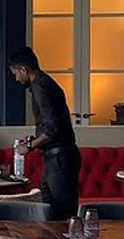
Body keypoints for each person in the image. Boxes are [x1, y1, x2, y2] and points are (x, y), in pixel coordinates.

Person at [9, 46, 80, 220]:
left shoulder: (41, 87)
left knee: (63, 215)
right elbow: (51, 125)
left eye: (16, 74)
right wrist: (35, 139)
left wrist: (29, 146)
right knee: (49, 211)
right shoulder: (44, 83)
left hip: (60, 159)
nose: (17, 79)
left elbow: (53, 129)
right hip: (55, 158)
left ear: (24, 69)